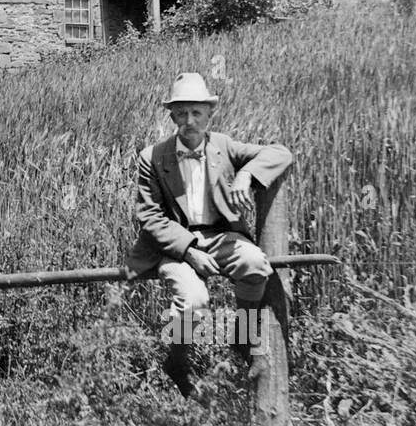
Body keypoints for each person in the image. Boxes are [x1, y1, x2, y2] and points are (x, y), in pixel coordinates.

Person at [123, 72, 292, 398]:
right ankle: (177, 359)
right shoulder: (153, 158)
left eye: (196, 112)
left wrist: (246, 175)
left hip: (221, 237)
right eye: (182, 113)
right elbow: (150, 217)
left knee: (255, 263)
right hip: (174, 245)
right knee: (194, 300)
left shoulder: (224, 146)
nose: (189, 121)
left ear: (209, 114)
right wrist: (189, 251)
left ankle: (243, 337)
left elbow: (281, 152)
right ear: (172, 115)